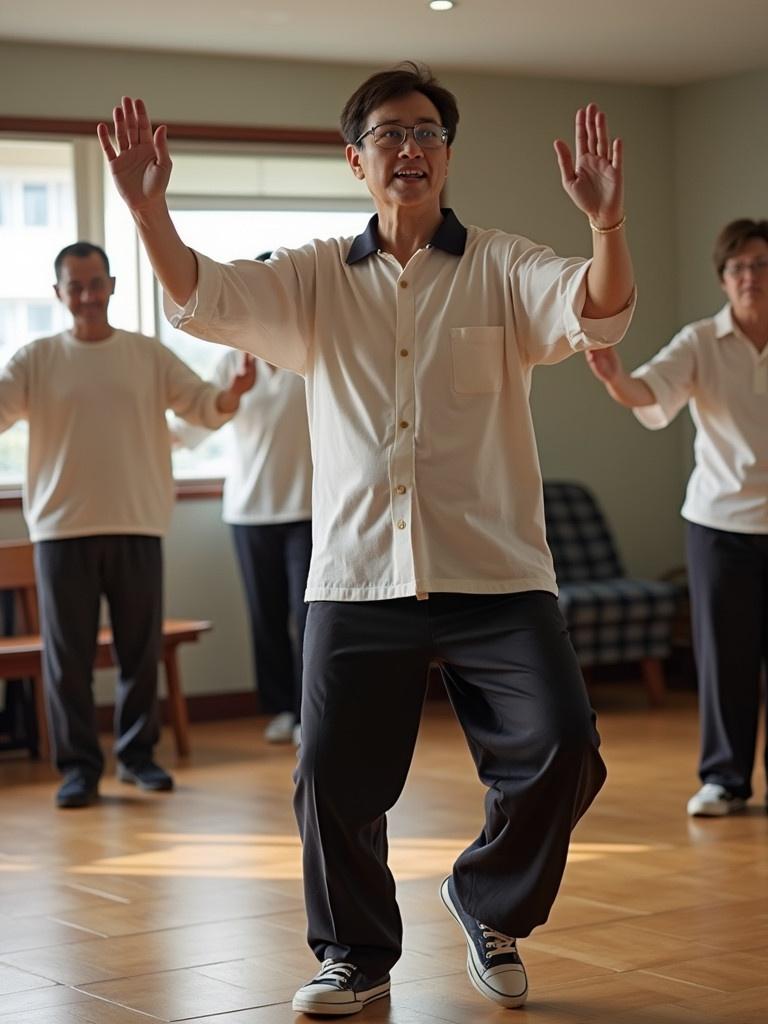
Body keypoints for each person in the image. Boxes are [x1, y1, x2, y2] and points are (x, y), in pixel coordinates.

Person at [98, 62, 634, 1015]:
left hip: (497, 574)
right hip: (356, 579)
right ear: (356, 159)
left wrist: (605, 224)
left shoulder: (504, 266)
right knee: (333, 781)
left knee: (563, 747)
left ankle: (484, 899)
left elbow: (598, 307)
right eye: (389, 133)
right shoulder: (310, 279)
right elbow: (207, 296)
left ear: (448, 154)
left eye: (428, 132)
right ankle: (354, 955)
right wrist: (148, 217)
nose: (410, 148)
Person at [0, 241, 255, 809]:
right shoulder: (35, 359)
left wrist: (232, 395)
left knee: (139, 652)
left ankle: (139, 757)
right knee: (67, 658)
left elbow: (201, 405)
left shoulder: (147, 355)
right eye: (75, 287)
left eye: (96, 284)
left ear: (112, 286)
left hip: (137, 522)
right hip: (61, 531)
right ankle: (79, 769)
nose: (87, 296)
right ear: (59, 294)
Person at [586, 218, 768, 819]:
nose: (751, 277)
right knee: (725, 658)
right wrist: (616, 379)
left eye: (762, 265)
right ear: (723, 279)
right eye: (739, 267)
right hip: (721, 525)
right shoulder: (699, 342)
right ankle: (724, 780)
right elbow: (648, 393)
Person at [171, 259, 313, 747]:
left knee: (308, 615)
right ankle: (279, 707)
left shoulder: (311, 349)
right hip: (249, 511)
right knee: (265, 616)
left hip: (310, 511)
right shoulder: (232, 358)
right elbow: (199, 423)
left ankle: (308, 713)